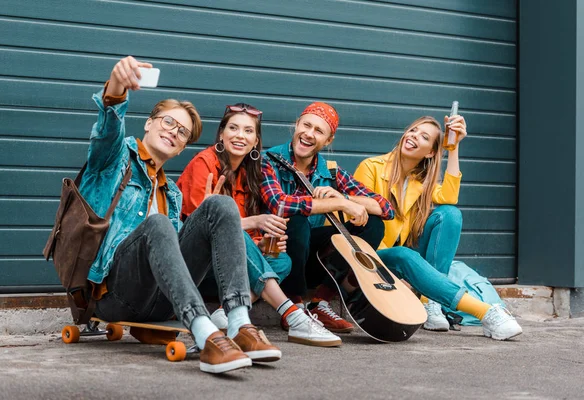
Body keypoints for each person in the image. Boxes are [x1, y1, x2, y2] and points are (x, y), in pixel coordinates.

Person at [80, 56, 281, 374]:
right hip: (114, 295)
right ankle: (206, 336)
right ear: (149, 122)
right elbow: (108, 127)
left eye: (183, 132)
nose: (174, 132)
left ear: (182, 147)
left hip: (159, 299)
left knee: (220, 206)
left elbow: (174, 257)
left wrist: (213, 219)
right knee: (156, 224)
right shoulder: (113, 162)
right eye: (168, 122)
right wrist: (117, 86)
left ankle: (240, 325)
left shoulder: (171, 194)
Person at [177, 103, 342, 347]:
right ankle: (293, 314)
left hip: (230, 271)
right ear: (221, 133)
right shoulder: (204, 164)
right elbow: (200, 227)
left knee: (281, 260)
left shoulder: (250, 173)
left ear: (256, 142)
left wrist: (260, 243)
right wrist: (254, 221)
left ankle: (226, 311)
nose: (239, 136)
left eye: (248, 131)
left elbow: (242, 238)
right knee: (230, 225)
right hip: (197, 267)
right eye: (233, 128)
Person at [353, 115, 522, 340]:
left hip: (404, 258)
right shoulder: (371, 167)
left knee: (450, 214)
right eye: (413, 130)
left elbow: (450, 197)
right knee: (403, 255)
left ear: (431, 152)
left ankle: (431, 302)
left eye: (423, 137)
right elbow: (361, 222)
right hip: (372, 255)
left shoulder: (419, 181)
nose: (413, 135)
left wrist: (453, 147)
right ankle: (486, 313)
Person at [261, 102, 395, 333]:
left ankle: (320, 302)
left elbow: (386, 208)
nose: (309, 134)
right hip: (275, 253)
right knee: (297, 219)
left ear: (328, 140)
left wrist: (344, 196)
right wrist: (339, 203)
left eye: (319, 131)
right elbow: (280, 204)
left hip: (312, 260)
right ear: (297, 125)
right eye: (306, 125)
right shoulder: (268, 160)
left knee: (373, 224)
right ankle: (293, 304)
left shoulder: (330, 171)